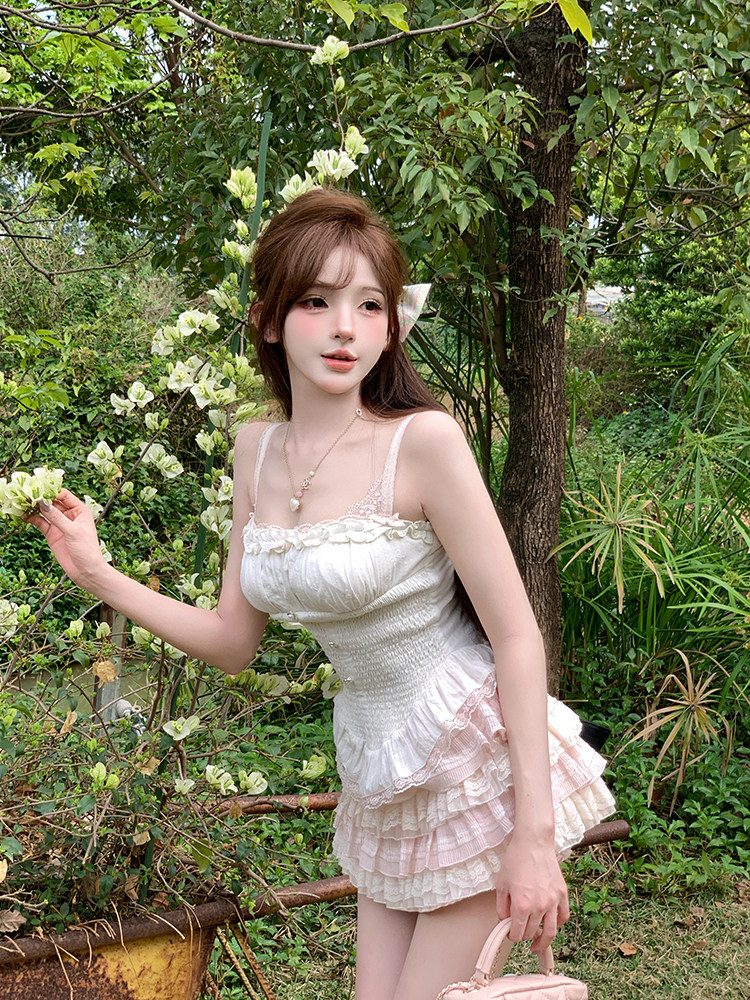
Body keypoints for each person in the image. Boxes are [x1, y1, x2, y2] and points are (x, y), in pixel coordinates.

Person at [28, 188, 616, 1000]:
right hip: (377, 767)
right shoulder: (255, 452)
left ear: (391, 325)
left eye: (369, 304)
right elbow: (236, 640)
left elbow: (516, 635)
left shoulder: (422, 444)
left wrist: (534, 835)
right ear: (271, 319)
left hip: (471, 761)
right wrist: (98, 575)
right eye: (317, 300)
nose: (346, 326)